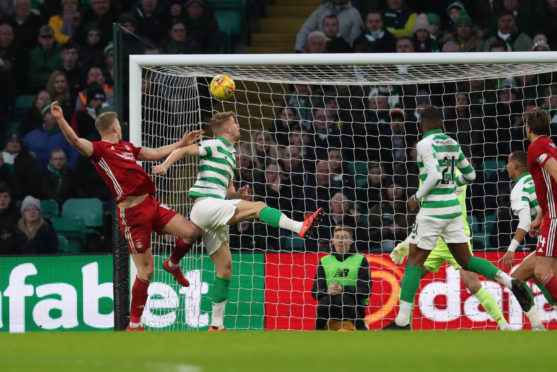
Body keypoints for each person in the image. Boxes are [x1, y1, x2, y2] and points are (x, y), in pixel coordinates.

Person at [151, 111, 324, 331]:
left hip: (214, 210)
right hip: (204, 206)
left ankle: (216, 325)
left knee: (225, 269)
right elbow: (185, 149)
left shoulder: (231, 154)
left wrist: (238, 196)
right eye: (235, 122)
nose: (238, 124)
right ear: (226, 129)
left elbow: (228, 191)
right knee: (259, 207)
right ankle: (300, 227)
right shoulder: (214, 144)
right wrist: (166, 165)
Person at [50, 101, 203, 331]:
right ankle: (134, 324)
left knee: (191, 232)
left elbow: (158, 153)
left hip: (151, 204)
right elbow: (75, 141)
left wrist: (183, 142)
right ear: (113, 128)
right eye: (119, 126)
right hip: (132, 215)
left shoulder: (128, 148)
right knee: (147, 271)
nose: (121, 129)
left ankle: (172, 264)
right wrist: (60, 118)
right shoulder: (99, 151)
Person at [382, 106, 532, 329]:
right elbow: (470, 174)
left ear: (422, 124)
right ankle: (509, 281)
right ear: (441, 122)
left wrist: (416, 197)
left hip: (433, 210)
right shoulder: (453, 143)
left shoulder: (423, 144)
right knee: (467, 261)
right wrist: (453, 184)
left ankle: (403, 322)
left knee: (413, 261)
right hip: (453, 212)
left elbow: (433, 175)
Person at [391, 170, 514, 330]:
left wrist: (409, 241)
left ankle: (504, 325)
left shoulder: (436, 174)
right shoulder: (447, 172)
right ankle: (406, 326)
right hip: (436, 240)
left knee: (473, 285)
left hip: (454, 237)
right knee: (405, 282)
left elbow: (429, 208)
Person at [500, 151, 556, 316]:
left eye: (508, 163)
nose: (506, 167)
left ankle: (536, 324)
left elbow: (524, 221)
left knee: (516, 278)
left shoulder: (519, 188)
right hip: (551, 237)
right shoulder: (540, 178)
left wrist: (511, 248)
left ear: (516, 166)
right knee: (539, 275)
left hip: (553, 235)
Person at [524, 108, 557, 306]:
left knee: (540, 271)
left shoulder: (536, 147)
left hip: (554, 216)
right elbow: (548, 186)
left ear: (528, 129)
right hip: (549, 214)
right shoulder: (550, 144)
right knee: (551, 272)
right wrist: (538, 218)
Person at [312, 225, 371, 330]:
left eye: (344, 237)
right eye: (337, 237)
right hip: (331, 307)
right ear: (332, 240)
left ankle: (362, 330)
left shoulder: (361, 260)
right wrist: (327, 290)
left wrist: (343, 289)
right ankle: (317, 332)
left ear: (351, 241)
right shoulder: (324, 261)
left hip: (355, 306)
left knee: (343, 297)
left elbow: (366, 291)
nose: (340, 241)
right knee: (325, 299)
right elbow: (315, 292)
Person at [294, 0, 362, 53]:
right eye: (327, 25)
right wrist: (299, 50)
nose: (330, 28)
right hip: (320, 55)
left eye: (333, 25)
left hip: (341, 54)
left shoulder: (354, 14)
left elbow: (354, 39)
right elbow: (305, 30)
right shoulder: (321, 10)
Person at [28, 25, 63, 92]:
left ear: (54, 38)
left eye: (50, 37)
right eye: (44, 37)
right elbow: (32, 75)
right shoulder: (33, 53)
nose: (47, 40)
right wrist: (49, 76)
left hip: (57, 87)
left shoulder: (61, 51)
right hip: (37, 88)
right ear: (39, 39)